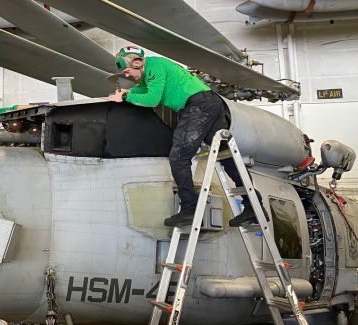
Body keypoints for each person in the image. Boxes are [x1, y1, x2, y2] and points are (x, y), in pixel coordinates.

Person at [108, 46, 268, 228]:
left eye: (127, 71)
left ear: (137, 63)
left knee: (179, 158)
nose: (126, 75)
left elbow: (152, 99)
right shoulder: (149, 73)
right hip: (210, 102)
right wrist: (125, 94)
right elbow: (140, 91)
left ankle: (189, 210)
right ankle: (254, 208)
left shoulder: (154, 66)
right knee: (226, 156)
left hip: (197, 106)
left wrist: (126, 98)